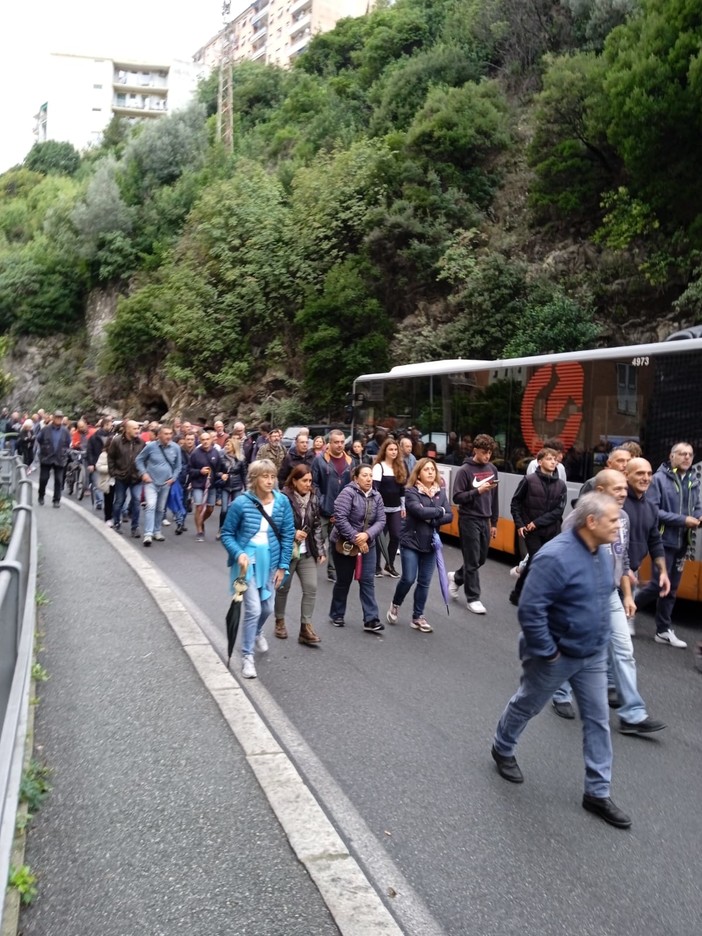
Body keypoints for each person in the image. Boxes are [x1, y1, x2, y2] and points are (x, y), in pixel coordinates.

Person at [491, 493, 632, 829]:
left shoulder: (602, 552)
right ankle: (502, 746)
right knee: (528, 704)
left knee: (597, 720)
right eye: (613, 520)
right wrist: (549, 651)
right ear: (591, 521)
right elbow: (530, 610)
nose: (619, 525)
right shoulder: (555, 556)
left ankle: (597, 792)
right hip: (556, 655)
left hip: (592, 652)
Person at [550, 470, 667, 735]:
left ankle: (632, 715)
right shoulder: (576, 520)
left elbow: (621, 558)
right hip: (580, 597)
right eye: (618, 489)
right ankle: (560, 692)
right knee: (574, 648)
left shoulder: (622, 518)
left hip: (611, 594)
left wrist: (627, 594)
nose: (624, 493)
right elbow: (563, 557)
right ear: (600, 491)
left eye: (625, 488)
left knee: (624, 651)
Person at [220, 459, 295, 680]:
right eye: (265, 476)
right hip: (247, 563)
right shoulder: (241, 503)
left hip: (270, 561)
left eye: (272, 476)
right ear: (254, 479)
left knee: (267, 609)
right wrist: (238, 553)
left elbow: (288, 534)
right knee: (252, 608)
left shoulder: (282, 502)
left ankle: (257, 632)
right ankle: (247, 656)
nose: (270, 480)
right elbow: (227, 534)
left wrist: (283, 566)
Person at [635, 442, 701, 648]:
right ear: (671, 456)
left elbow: (697, 506)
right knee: (657, 585)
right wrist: (683, 520)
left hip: (684, 541)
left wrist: (698, 516)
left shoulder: (693, 480)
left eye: (690, 454)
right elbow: (654, 511)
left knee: (672, 589)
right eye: (682, 454)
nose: (687, 458)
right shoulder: (659, 479)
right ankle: (623, 610)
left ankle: (663, 630)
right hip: (662, 541)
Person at [386, 458, 453, 633]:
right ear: (418, 473)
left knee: (424, 582)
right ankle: (395, 603)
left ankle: (418, 617)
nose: (430, 472)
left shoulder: (441, 493)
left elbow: (450, 516)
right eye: (426, 469)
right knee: (408, 578)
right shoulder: (411, 491)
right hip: (411, 541)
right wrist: (439, 512)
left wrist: (433, 515)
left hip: (431, 543)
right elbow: (419, 511)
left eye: (432, 469)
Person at [622, 458, 675, 641]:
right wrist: (622, 567)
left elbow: (655, 542)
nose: (646, 478)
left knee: (618, 644)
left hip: (630, 574)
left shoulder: (651, 508)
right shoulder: (617, 502)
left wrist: (663, 572)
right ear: (626, 475)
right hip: (609, 575)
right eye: (640, 473)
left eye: (649, 473)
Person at [328, 464, 386, 631]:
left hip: (368, 544)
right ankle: (337, 614)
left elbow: (381, 520)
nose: (368, 479)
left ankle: (371, 619)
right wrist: (356, 537)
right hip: (344, 543)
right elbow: (340, 518)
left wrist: (367, 535)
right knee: (344, 580)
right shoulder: (348, 493)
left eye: (370, 476)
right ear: (356, 478)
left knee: (367, 580)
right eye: (364, 475)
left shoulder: (377, 496)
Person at [447, 433, 499, 614]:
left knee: (480, 559)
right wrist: (477, 491)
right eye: (484, 452)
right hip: (469, 518)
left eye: (490, 453)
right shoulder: (465, 471)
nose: (487, 456)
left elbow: (494, 498)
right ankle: (473, 598)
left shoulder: (492, 468)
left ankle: (456, 577)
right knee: (472, 559)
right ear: (475, 450)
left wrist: (494, 522)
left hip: (485, 519)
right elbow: (457, 496)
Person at [274, 464, 326, 646]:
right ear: (294, 481)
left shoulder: (313, 498)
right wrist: (293, 532)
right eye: (304, 481)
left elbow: (317, 524)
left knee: (311, 587)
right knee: (283, 588)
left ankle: (306, 628)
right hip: (287, 552)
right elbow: (275, 524)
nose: (308, 484)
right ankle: (279, 621)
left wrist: (320, 550)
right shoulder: (283, 498)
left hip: (306, 552)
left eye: (310, 481)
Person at [509, 447, 567, 604]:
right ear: (539, 462)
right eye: (549, 459)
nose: (553, 461)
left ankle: (520, 593)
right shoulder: (529, 480)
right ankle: (525, 594)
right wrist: (520, 524)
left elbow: (559, 511)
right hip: (531, 531)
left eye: (555, 459)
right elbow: (516, 503)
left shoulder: (561, 485)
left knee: (542, 562)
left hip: (551, 530)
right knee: (537, 560)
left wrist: (537, 522)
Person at [312, 429, 352, 583]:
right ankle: (308, 566)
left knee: (336, 541)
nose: (340, 445)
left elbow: (351, 486)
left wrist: (346, 507)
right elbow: (314, 484)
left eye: (342, 442)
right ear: (329, 443)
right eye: (336, 442)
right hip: (323, 508)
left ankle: (332, 570)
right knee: (318, 539)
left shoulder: (350, 461)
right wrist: (321, 502)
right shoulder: (320, 460)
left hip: (342, 510)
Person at [135, 425, 182, 547]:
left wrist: (173, 478)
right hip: (151, 482)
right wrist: (144, 473)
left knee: (160, 508)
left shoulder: (176, 448)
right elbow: (139, 460)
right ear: (159, 435)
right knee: (151, 506)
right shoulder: (151, 446)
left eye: (170, 433)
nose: (168, 436)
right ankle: (148, 534)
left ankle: (157, 531)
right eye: (165, 434)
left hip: (166, 483)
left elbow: (178, 466)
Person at [372, 437, 407, 578]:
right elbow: (375, 490)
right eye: (390, 449)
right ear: (385, 451)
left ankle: (389, 564)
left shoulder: (400, 466)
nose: (393, 452)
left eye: (395, 450)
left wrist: (403, 506)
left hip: (396, 508)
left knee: (396, 536)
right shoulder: (379, 467)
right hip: (382, 508)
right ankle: (376, 566)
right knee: (380, 538)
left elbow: (402, 490)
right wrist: (377, 508)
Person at [108, 420, 145, 536]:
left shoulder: (141, 442)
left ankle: (135, 527)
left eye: (138, 428)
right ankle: (117, 523)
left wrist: (143, 473)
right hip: (121, 476)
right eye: (134, 428)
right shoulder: (117, 441)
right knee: (119, 500)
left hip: (136, 477)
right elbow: (111, 457)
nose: (137, 431)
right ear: (127, 429)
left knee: (136, 500)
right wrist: (113, 472)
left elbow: (145, 458)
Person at [189, 431, 225, 542]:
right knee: (199, 507)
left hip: (211, 485)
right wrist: (200, 471)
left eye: (207, 439)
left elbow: (219, 469)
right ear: (200, 441)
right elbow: (189, 470)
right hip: (198, 484)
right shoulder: (195, 454)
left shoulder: (215, 453)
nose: (205, 441)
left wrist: (223, 474)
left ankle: (201, 521)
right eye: (203, 440)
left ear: (211, 440)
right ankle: (200, 531)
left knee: (210, 509)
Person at [36, 410, 72, 506]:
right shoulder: (45, 429)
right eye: (57, 417)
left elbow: (68, 443)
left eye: (60, 418)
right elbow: (39, 439)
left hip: (59, 457)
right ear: (53, 418)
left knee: (59, 480)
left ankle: (56, 500)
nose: (59, 419)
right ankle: (41, 495)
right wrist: (45, 448)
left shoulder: (65, 431)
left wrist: (64, 451)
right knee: (44, 478)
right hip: (46, 457)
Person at [217, 435, 248, 538]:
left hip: (236, 486)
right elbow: (216, 472)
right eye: (226, 444)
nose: (226, 446)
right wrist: (221, 475)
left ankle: (235, 529)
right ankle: (221, 528)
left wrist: (247, 488)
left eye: (228, 444)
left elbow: (244, 474)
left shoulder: (241, 459)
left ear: (234, 446)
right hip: (225, 486)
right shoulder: (221, 458)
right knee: (224, 509)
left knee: (237, 509)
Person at [86, 417, 114, 512]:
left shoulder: (113, 437)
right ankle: (99, 501)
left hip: (109, 463)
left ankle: (106, 501)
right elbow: (89, 451)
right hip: (96, 462)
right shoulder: (94, 437)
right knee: (97, 483)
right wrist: (91, 463)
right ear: (105, 425)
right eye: (110, 425)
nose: (111, 427)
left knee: (108, 484)